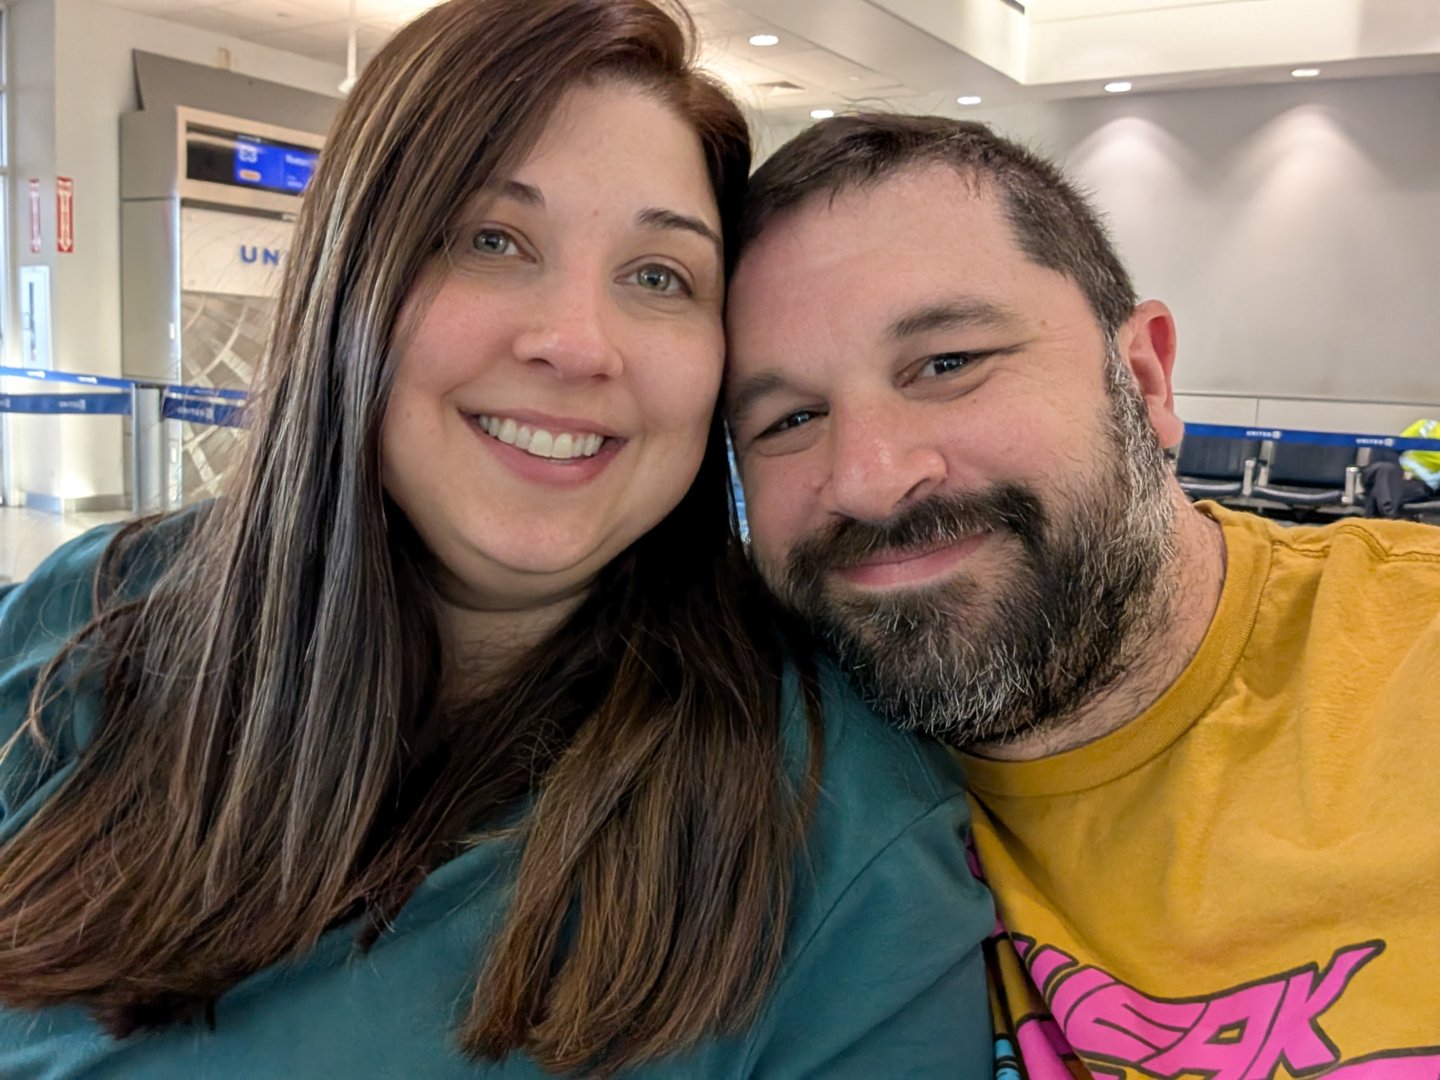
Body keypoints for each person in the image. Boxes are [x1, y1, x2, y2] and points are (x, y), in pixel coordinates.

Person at [0, 15, 995, 1077]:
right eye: (493, 239)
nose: (575, 343)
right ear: (352, 282)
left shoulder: (843, 837)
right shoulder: (84, 624)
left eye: (660, 275)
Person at [725, 112, 1440, 1077]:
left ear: (1143, 377)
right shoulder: (743, 770)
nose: (866, 478)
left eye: (947, 364)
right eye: (789, 417)